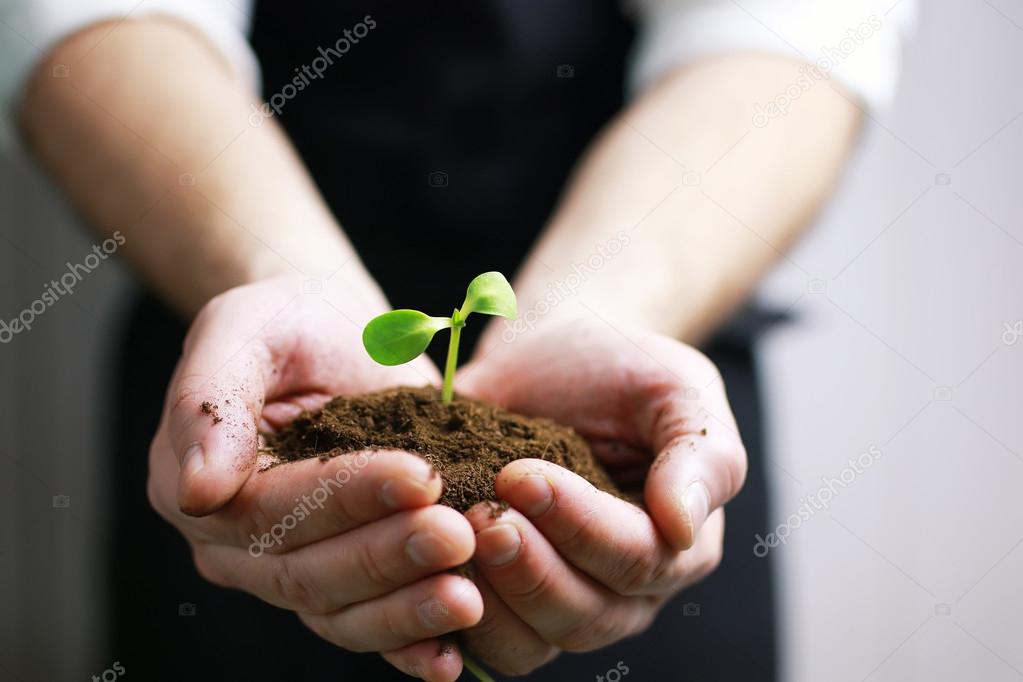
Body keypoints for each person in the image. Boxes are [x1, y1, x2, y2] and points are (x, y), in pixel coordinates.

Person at [2, 1, 913, 679]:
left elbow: (788, 34)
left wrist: (604, 306)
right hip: (258, 375)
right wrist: (277, 274)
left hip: (629, 363)